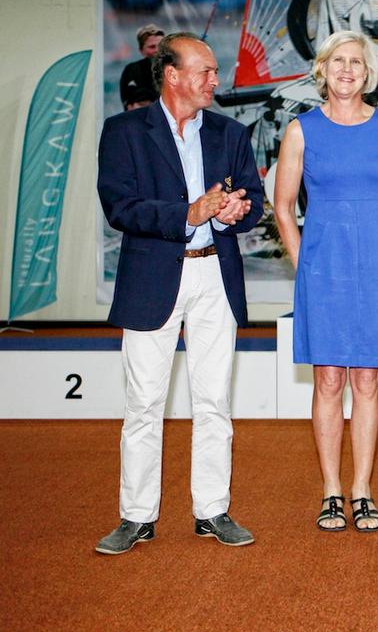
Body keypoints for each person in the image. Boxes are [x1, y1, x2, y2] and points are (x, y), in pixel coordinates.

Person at [95, 32, 264, 554]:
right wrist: (187, 214)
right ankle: (136, 516)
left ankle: (212, 510)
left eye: (215, 72)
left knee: (214, 400)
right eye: (205, 71)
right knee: (144, 403)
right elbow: (119, 207)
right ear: (172, 74)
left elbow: (254, 200)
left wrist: (238, 211)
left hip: (216, 276)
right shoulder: (124, 132)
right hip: (153, 278)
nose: (216, 80)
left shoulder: (231, 133)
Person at [274, 31, 378, 533]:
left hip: (375, 268)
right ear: (323, 70)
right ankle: (332, 489)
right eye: (338, 61)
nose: (348, 70)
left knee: (367, 380)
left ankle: (363, 490)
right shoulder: (301, 130)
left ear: (368, 73)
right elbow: (283, 208)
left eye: (356, 62)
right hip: (323, 266)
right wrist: (302, 264)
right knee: (329, 379)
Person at [119, 24, 164, 111]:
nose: (157, 50)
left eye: (161, 46)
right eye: (152, 47)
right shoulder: (131, 70)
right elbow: (128, 103)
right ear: (141, 50)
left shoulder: (176, 69)